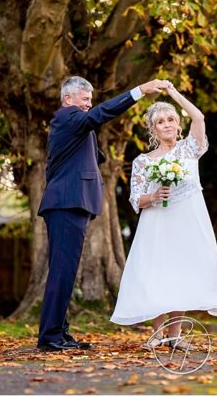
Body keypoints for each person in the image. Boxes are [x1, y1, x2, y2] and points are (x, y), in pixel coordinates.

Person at [37, 75, 170, 352]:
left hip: (72, 204)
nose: (89, 104)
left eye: (90, 100)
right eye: (84, 99)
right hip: (65, 204)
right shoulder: (66, 118)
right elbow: (99, 115)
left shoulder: (75, 126)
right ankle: (50, 337)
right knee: (62, 272)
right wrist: (139, 90)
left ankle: (60, 333)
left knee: (67, 272)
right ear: (68, 100)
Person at [110, 82, 217, 350]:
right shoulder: (143, 161)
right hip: (157, 223)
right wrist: (153, 197)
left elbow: (199, 117)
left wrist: (173, 93)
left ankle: (176, 336)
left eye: (171, 119)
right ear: (153, 129)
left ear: (178, 123)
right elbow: (136, 198)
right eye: (160, 121)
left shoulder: (190, 149)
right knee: (157, 274)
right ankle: (158, 334)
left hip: (188, 220)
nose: (167, 124)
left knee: (182, 273)